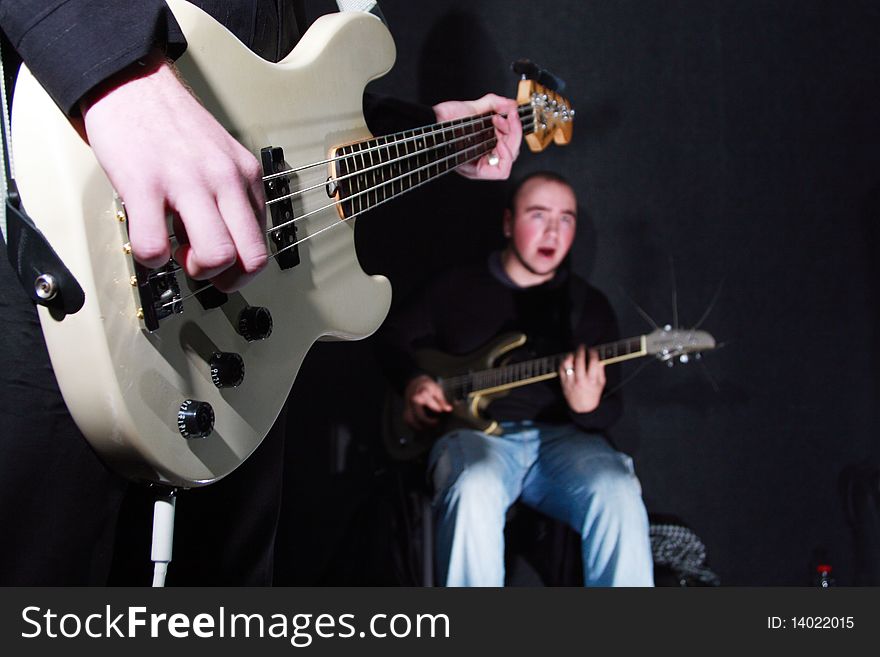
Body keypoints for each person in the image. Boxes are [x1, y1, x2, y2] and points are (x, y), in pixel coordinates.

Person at [0, 0, 521, 585]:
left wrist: (434, 129)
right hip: (61, 226)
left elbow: (291, 102)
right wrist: (119, 71)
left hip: (240, 334)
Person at [377, 171, 654, 586]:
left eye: (566, 219)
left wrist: (588, 407)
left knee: (618, 490)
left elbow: (611, 408)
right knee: (474, 486)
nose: (553, 232)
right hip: (474, 436)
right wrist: (413, 381)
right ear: (508, 223)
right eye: (538, 215)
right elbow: (391, 338)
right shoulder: (454, 287)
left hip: (561, 443)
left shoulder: (588, 307)